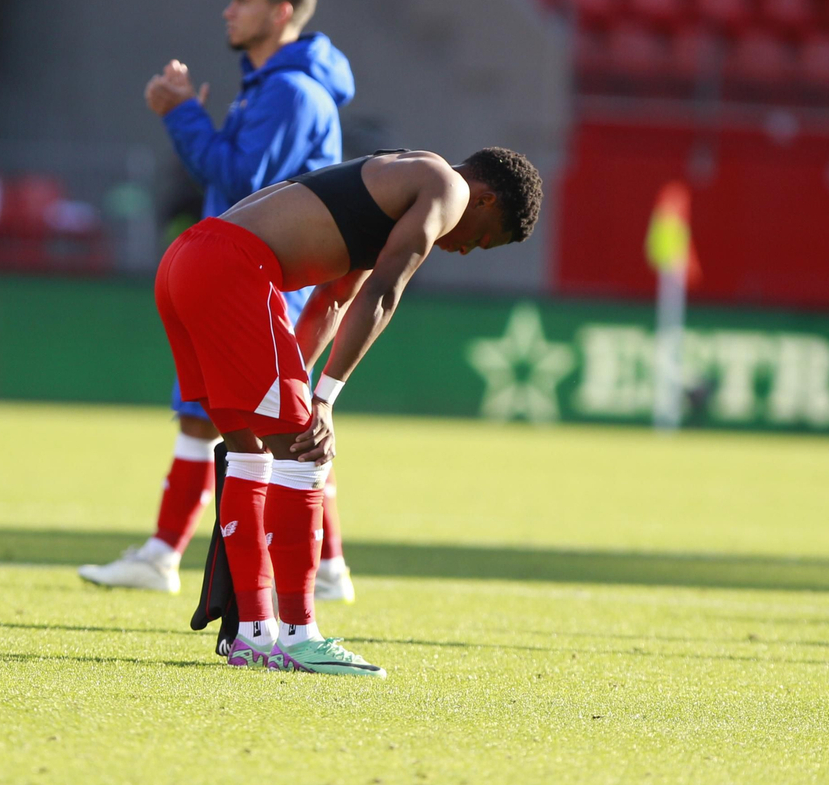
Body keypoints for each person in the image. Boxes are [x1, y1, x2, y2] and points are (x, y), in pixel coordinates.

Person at [156, 145, 542, 675]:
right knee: (307, 453)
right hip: (232, 266)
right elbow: (384, 293)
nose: (467, 248)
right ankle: (298, 635)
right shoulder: (447, 188)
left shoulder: (394, 181)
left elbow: (332, 303)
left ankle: (255, 634)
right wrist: (321, 401)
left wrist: (296, 394)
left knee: (252, 451)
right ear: (485, 197)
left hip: (186, 261)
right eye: (482, 236)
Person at [78, 0, 358, 598]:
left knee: (254, 419)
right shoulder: (269, 87)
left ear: (280, 11)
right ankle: (312, 563)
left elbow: (243, 183)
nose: (228, 12)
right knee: (220, 416)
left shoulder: (290, 92)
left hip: (265, 279)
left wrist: (181, 115)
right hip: (251, 272)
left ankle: (304, 563)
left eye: (242, 0)